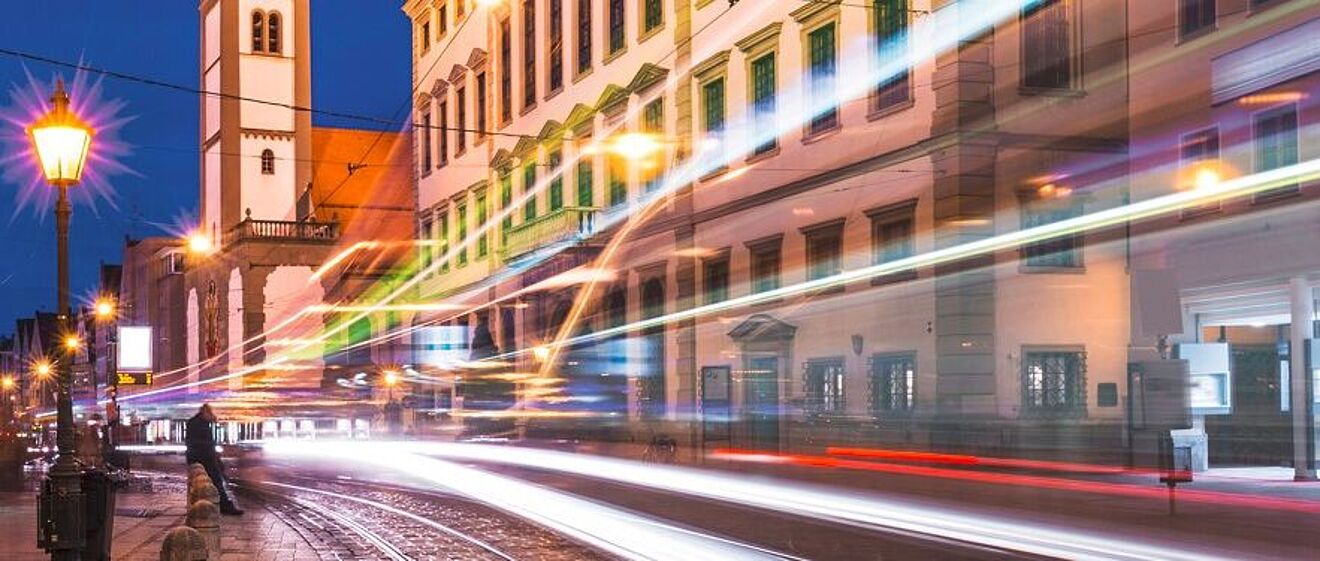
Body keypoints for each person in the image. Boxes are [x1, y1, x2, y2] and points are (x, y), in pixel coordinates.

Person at [185, 404, 243, 515]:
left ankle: (220, 505)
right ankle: (224, 506)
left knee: (214, 482)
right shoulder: (199, 424)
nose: (213, 417)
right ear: (205, 413)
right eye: (211, 414)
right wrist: (213, 456)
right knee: (217, 482)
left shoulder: (198, 422)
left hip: (201, 458)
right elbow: (202, 443)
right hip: (204, 458)